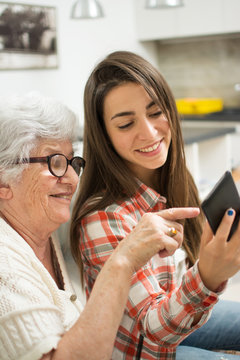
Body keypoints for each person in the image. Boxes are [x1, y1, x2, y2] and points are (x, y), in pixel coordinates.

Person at [0, 92, 200, 360]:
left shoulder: (46, 227)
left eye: (73, 162)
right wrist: (123, 259)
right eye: (54, 163)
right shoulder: (6, 267)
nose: (72, 178)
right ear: (3, 182)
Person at [70, 50, 240, 360]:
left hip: (171, 318)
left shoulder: (169, 180)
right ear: (104, 136)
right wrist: (208, 277)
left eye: (155, 111)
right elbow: (152, 330)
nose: (149, 133)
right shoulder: (102, 217)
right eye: (125, 124)